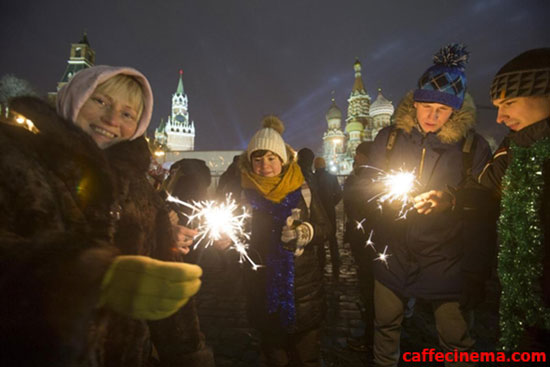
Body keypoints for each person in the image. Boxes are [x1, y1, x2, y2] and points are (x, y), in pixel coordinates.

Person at [0, 65, 209, 366]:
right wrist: (91, 277)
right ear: (74, 98)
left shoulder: (140, 191)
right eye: (100, 101)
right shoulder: (16, 163)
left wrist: (190, 356)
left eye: (127, 114)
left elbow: (169, 299)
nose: (111, 119)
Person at [355, 44, 494, 366]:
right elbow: (363, 190)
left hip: (447, 259)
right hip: (393, 254)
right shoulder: (388, 139)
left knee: (456, 339)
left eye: (442, 109)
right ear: (413, 103)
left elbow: (484, 207)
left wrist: (451, 201)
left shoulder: (472, 148)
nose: (432, 116)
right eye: (426, 105)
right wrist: (384, 200)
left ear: (455, 112)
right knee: (386, 328)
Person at [240, 115, 330, 366]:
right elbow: (240, 238)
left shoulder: (302, 189)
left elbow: (326, 228)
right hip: (262, 290)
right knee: (274, 357)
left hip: (303, 292)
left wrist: (305, 233)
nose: (264, 166)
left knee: (306, 357)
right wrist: (227, 242)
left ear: (282, 159)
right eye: (257, 159)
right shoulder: (245, 195)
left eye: (271, 158)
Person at [478, 48, 550, 352]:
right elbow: (486, 186)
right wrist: (449, 199)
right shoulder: (516, 148)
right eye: (497, 105)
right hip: (525, 310)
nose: (499, 116)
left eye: (509, 102)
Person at [343, 141, 375, 354]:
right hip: (378, 241)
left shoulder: (358, 179)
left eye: (357, 154)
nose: (355, 158)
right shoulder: (383, 177)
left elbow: (350, 205)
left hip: (364, 241)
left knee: (369, 289)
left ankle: (371, 336)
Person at [313, 156, 342, 277]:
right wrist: (331, 203)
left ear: (315, 166)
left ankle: (321, 263)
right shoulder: (331, 177)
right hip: (329, 211)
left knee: (319, 238)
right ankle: (336, 262)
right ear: (325, 165)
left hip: (317, 211)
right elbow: (339, 194)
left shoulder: (312, 178)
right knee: (332, 238)